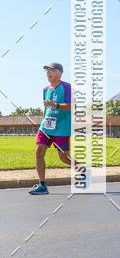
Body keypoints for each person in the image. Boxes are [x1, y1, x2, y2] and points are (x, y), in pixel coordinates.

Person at [29, 63, 72, 195]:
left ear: (59, 73)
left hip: (61, 127)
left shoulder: (66, 87)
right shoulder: (45, 89)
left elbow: (71, 106)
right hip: (46, 127)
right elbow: (46, 108)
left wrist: (56, 105)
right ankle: (42, 185)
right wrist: (43, 120)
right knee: (38, 153)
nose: (48, 73)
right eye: (46, 71)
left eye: (51, 70)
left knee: (63, 158)